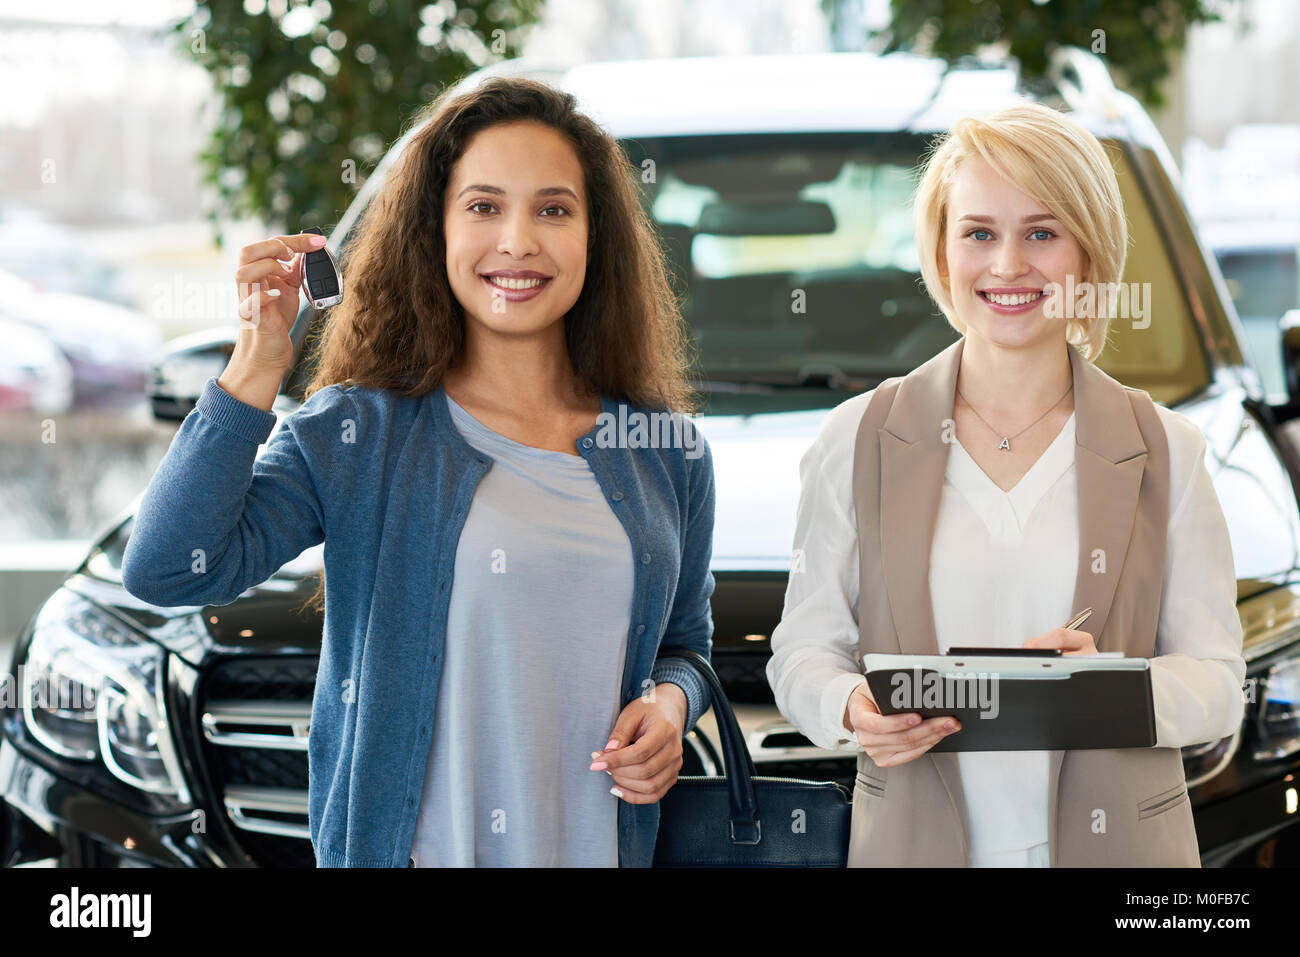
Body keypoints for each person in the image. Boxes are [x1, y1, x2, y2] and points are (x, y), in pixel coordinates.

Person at [121, 77, 716, 867]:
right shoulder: (357, 434)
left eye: (553, 208)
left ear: (594, 235)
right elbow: (167, 567)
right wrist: (256, 367)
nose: (517, 241)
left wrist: (670, 706)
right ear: (433, 230)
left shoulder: (667, 451)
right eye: (482, 206)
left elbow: (685, 644)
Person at [766, 103, 1246, 867]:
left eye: (1042, 233)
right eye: (980, 233)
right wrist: (852, 707)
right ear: (942, 248)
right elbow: (803, 650)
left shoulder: (1169, 451)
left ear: (1088, 253)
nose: (1008, 265)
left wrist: (1104, 687)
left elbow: (1220, 683)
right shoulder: (858, 438)